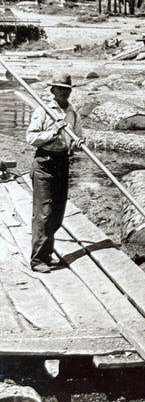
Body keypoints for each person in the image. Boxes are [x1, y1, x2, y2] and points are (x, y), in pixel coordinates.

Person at [26, 74, 83, 273]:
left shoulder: (73, 113)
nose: (63, 92)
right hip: (44, 162)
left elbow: (77, 138)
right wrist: (53, 132)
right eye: (59, 88)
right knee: (43, 213)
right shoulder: (43, 111)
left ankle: (47, 254)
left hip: (62, 162)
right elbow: (31, 137)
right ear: (52, 91)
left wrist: (77, 144)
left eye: (66, 89)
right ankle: (37, 259)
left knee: (57, 212)